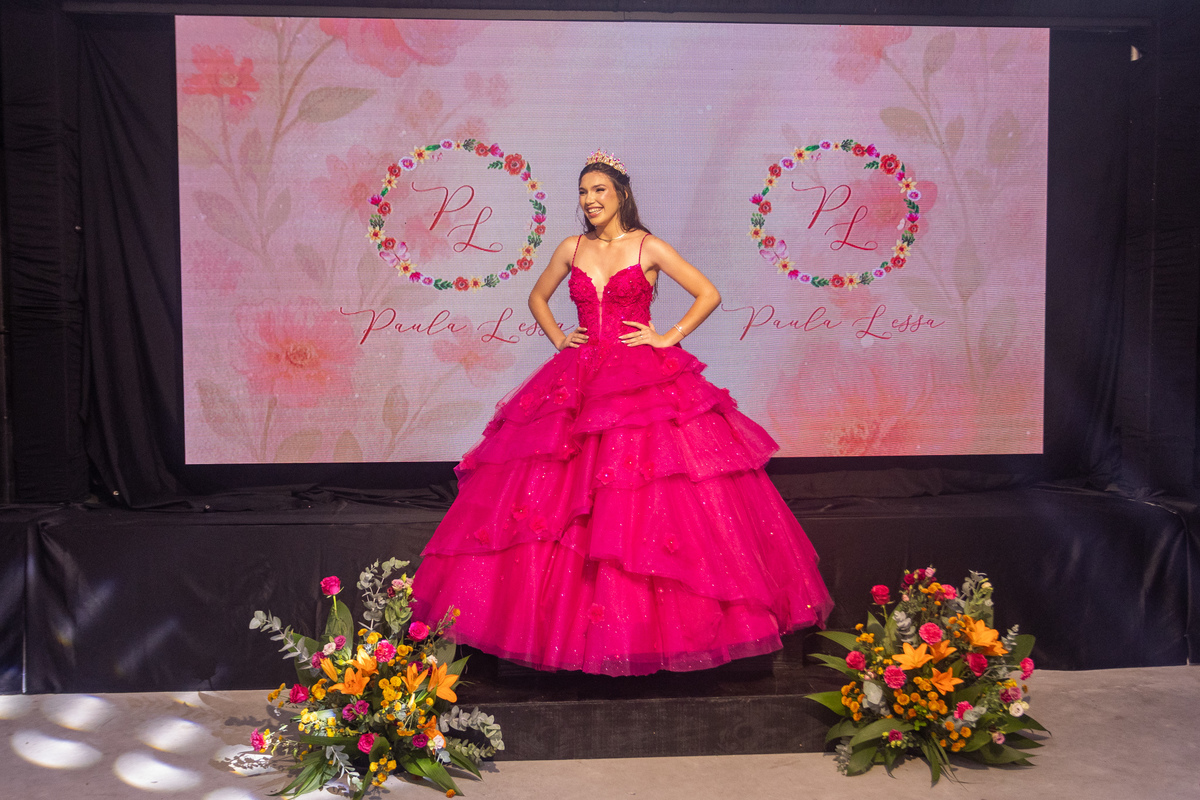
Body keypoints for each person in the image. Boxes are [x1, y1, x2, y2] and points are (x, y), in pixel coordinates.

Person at [411, 150, 833, 676]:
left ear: (621, 195)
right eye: (583, 192)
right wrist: (560, 338)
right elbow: (538, 297)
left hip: (637, 378)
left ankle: (650, 630)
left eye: (599, 190)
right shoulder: (572, 247)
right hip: (578, 379)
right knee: (564, 498)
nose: (590, 200)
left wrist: (668, 336)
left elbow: (708, 293)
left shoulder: (646, 245)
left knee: (641, 497)